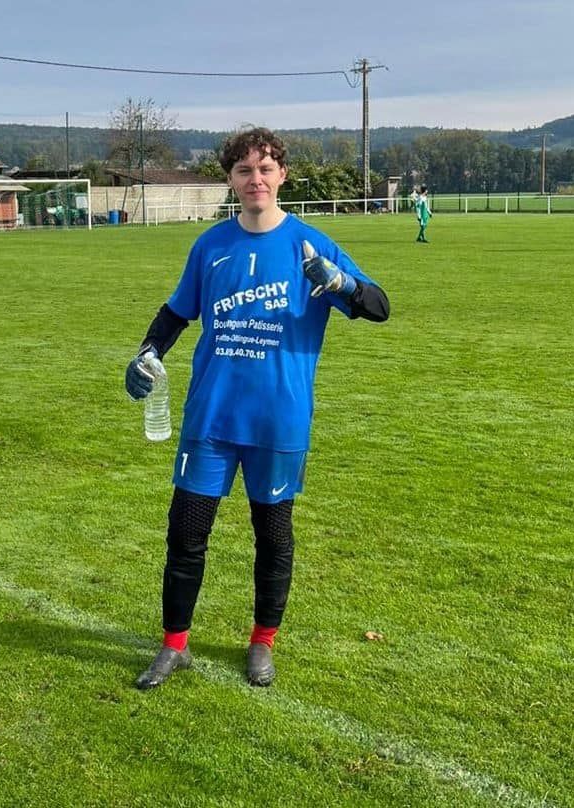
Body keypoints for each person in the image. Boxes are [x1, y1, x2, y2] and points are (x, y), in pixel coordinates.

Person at [125, 127, 390, 690]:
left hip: (278, 421)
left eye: (265, 169)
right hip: (212, 420)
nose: (256, 180)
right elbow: (177, 312)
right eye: (244, 171)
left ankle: (261, 644)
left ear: (282, 176)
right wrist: (146, 353)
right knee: (185, 534)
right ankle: (174, 646)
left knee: (273, 536)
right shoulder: (211, 245)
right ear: (231, 179)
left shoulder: (309, 245)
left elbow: (378, 306)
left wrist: (340, 282)